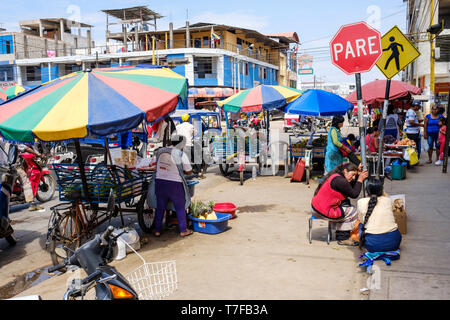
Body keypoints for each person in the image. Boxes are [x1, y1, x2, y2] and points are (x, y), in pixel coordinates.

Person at [311, 162, 369, 246]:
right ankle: (343, 238)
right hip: (321, 210)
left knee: (346, 205)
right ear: (345, 171)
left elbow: (350, 187)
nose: (353, 178)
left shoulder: (337, 176)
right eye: (352, 175)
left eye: (355, 176)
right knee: (352, 211)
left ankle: (340, 232)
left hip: (317, 207)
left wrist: (357, 173)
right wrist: (360, 179)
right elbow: (354, 194)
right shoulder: (340, 181)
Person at [153, 135, 194, 237]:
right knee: (180, 207)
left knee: (160, 207)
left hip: (160, 182)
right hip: (174, 184)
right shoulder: (181, 154)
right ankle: (183, 230)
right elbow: (189, 171)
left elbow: (155, 164)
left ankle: (157, 230)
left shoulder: (160, 151)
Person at [357, 178, 402, 252]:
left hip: (372, 245)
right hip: (394, 243)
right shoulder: (388, 200)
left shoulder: (361, 202)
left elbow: (362, 221)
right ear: (382, 190)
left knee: (360, 224)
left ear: (367, 191)